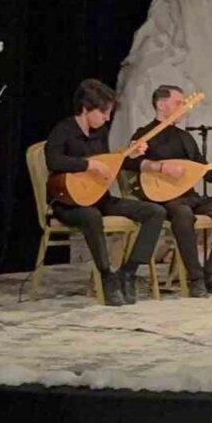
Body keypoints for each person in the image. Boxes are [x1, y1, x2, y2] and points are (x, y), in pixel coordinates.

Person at [44, 79, 166, 306]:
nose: (107, 118)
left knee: (155, 212)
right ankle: (107, 276)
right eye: (103, 112)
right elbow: (53, 160)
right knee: (91, 216)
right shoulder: (64, 130)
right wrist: (87, 165)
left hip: (100, 198)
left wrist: (129, 155)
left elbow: (108, 163)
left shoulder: (100, 132)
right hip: (68, 204)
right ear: (85, 108)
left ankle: (128, 272)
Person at [130, 85, 212, 298]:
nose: (184, 107)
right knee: (183, 214)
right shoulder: (144, 134)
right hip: (163, 199)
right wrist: (159, 167)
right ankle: (196, 279)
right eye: (178, 103)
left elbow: (206, 172)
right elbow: (129, 162)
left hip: (190, 196)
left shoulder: (185, 137)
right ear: (161, 105)